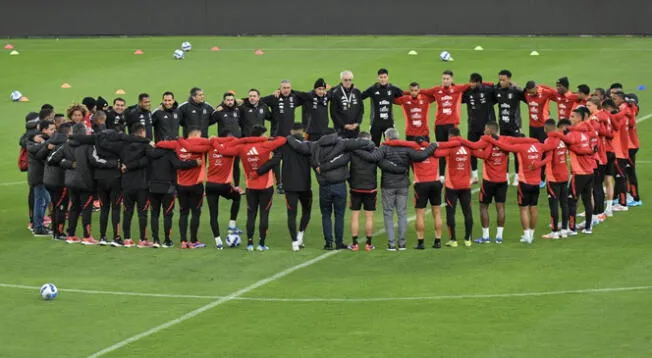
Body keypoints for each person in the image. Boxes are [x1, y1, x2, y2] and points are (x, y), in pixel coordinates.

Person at [355, 128, 436, 250]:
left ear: (386, 138)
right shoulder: (406, 148)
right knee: (402, 214)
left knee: (388, 214)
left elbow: (372, 158)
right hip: (403, 185)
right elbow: (422, 155)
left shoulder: (384, 148)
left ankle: (392, 244)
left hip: (388, 185)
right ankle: (402, 244)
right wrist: (433, 145)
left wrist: (356, 149)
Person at [219, 125, 287, 251]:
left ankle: (250, 244)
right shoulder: (266, 145)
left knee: (251, 215)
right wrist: (272, 138)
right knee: (264, 215)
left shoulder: (242, 147)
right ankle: (261, 244)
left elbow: (224, 151)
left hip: (250, 187)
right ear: (261, 135)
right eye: (264, 134)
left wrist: (241, 140)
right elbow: (283, 140)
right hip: (266, 187)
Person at [485, 132, 561, 244]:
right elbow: (553, 146)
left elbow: (504, 147)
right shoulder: (539, 146)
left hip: (524, 183)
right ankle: (531, 234)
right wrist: (559, 134)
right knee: (533, 208)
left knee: (524, 209)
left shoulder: (520, 147)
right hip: (536, 183)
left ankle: (527, 236)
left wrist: (490, 140)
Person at [257, 124, 313, 251]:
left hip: (289, 186)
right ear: (303, 132)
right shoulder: (307, 145)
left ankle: (294, 242)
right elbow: (314, 163)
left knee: (291, 214)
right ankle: (300, 236)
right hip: (305, 185)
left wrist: (259, 171)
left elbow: (275, 160)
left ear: (291, 131)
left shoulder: (285, 145)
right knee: (306, 211)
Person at [157, 128, 212, 248]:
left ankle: (183, 241)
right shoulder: (202, 145)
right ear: (196, 134)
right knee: (196, 213)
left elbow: (160, 143)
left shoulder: (177, 144)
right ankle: (193, 241)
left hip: (181, 185)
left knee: (183, 213)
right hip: (196, 185)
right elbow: (210, 145)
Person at [418, 70, 474, 179]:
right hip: (439, 125)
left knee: (454, 150)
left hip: (452, 125)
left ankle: (454, 173)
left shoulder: (457, 89)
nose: (445, 81)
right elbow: (421, 91)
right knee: (440, 150)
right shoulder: (436, 90)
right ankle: (442, 175)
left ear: (451, 79)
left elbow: (473, 84)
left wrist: (492, 85)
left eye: (447, 79)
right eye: (443, 79)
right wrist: (403, 93)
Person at [146, 140, 201, 248]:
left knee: (154, 214)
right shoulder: (170, 153)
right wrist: (195, 163)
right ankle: (167, 240)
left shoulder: (151, 154)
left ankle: (156, 240)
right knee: (167, 215)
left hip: (152, 188)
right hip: (167, 188)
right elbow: (179, 164)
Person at [50, 123, 97, 245]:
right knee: (86, 209)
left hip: (70, 181)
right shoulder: (88, 146)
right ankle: (87, 237)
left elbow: (53, 159)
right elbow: (94, 161)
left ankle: (71, 235)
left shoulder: (66, 145)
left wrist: (68, 164)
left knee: (74, 208)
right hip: (85, 182)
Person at [409, 137, 460, 249]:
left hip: (421, 184)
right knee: (437, 213)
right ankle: (437, 241)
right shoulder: (435, 151)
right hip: (435, 183)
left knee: (420, 214)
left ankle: (421, 242)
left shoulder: (413, 152)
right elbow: (451, 147)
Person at [311, 128, 354, 250]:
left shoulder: (315, 147)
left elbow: (313, 162)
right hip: (339, 185)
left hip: (324, 186)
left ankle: (328, 243)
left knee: (326, 215)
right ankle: (339, 242)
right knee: (339, 215)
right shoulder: (342, 145)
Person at [558, 107, 598, 235]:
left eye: (573, 117)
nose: (570, 119)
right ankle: (588, 227)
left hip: (579, 172)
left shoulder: (573, 134)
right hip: (589, 171)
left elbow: (568, 142)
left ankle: (572, 228)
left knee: (572, 200)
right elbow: (593, 148)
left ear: (580, 118)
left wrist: (557, 134)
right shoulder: (588, 132)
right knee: (587, 200)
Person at [468, 121, 509, 244]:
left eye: (485, 129)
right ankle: (499, 237)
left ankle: (485, 237)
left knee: (483, 207)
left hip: (489, 181)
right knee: (500, 207)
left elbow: (481, 153)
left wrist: (469, 150)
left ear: (490, 131)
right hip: (502, 180)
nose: (483, 131)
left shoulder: (486, 142)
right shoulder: (504, 141)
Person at [262, 80, 305, 194]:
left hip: (290, 136)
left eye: (288, 88)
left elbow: (306, 97)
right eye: (284, 88)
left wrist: (294, 92)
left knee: (289, 160)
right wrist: (269, 116)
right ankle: (279, 184)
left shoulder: (294, 98)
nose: (286, 90)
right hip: (276, 135)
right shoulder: (273, 98)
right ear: (280, 88)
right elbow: (258, 101)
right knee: (277, 160)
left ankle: (288, 182)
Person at [118, 124, 154, 247]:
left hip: (127, 184)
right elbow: (147, 160)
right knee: (142, 213)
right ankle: (142, 240)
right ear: (142, 133)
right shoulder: (146, 146)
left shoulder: (123, 145)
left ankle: (127, 239)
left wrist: (127, 167)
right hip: (141, 185)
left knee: (127, 212)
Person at [205, 132, 242, 250]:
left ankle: (218, 242)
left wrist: (212, 140)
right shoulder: (232, 149)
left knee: (213, 214)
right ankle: (232, 225)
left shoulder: (210, 146)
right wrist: (234, 185)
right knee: (237, 197)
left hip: (210, 185)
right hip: (223, 186)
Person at [345, 132, 380, 251]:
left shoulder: (353, 151)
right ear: (369, 139)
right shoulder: (375, 151)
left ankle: (355, 244)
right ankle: (368, 244)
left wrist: (349, 180)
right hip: (370, 188)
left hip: (355, 186)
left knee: (355, 216)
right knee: (369, 217)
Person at [89, 127, 124, 246]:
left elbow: (93, 160)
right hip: (115, 179)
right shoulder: (119, 145)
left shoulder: (96, 143)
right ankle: (116, 237)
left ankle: (103, 237)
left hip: (100, 179)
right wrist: (114, 164)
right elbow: (123, 159)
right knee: (115, 208)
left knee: (104, 208)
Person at [537, 119, 571, 239]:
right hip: (564, 175)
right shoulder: (562, 139)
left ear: (546, 129)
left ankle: (555, 232)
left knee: (554, 204)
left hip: (553, 177)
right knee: (564, 204)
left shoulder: (549, 140)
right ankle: (565, 230)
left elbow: (548, 158)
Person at [462, 73, 497, 183]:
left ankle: (492, 174)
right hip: (472, 126)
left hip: (487, 128)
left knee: (490, 153)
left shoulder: (488, 91)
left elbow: (495, 88)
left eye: (473, 82)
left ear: (479, 82)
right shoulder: (467, 92)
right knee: (471, 150)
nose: (471, 84)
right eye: (470, 82)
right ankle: (475, 176)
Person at [26, 120, 56, 236]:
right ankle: (38, 227)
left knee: (43, 200)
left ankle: (38, 225)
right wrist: (46, 145)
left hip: (39, 177)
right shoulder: (34, 144)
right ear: (43, 131)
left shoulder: (36, 142)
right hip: (39, 178)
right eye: (51, 129)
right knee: (42, 201)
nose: (53, 132)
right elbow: (41, 155)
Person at [44, 122, 73, 240]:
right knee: (61, 207)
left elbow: (43, 155)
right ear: (68, 132)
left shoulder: (51, 141)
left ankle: (54, 229)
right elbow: (53, 159)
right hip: (59, 181)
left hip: (48, 179)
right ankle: (58, 233)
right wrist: (69, 163)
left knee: (56, 205)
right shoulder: (65, 144)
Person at [494, 70, 524, 186]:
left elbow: (528, 97)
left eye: (503, 80)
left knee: (517, 152)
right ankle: (505, 176)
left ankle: (517, 176)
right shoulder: (498, 91)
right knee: (504, 151)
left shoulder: (516, 91)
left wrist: (519, 87)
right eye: (500, 80)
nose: (501, 82)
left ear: (509, 80)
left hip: (514, 126)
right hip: (503, 126)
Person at [605, 93, 633, 211]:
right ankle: (621, 201)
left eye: (615, 98)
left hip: (619, 151)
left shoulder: (618, 116)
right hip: (622, 150)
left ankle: (622, 204)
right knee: (619, 176)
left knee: (620, 177)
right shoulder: (624, 114)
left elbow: (614, 121)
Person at [360, 68, 403, 146]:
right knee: (374, 146)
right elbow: (360, 96)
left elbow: (404, 97)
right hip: (375, 123)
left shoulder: (393, 89)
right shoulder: (372, 89)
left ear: (388, 77)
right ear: (377, 78)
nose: (383, 79)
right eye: (381, 77)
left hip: (389, 122)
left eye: (384, 77)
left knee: (392, 145)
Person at [212, 92, 243, 188]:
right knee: (224, 164)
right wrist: (217, 109)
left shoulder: (237, 110)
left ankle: (237, 186)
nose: (230, 102)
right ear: (224, 101)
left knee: (236, 165)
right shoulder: (219, 111)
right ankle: (224, 184)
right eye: (228, 100)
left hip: (236, 142)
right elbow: (209, 120)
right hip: (224, 144)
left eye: (231, 100)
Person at [20, 112, 40, 231]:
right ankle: (35, 221)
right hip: (36, 169)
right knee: (37, 194)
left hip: (32, 170)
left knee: (34, 193)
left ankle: (34, 219)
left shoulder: (25, 137)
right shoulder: (33, 138)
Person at [329, 70, 364, 139]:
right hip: (341, 130)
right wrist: (344, 125)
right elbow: (333, 112)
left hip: (355, 129)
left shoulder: (357, 92)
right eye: (345, 80)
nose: (348, 82)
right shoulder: (336, 93)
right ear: (341, 80)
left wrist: (357, 123)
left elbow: (361, 109)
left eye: (350, 80)